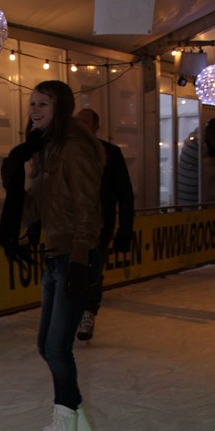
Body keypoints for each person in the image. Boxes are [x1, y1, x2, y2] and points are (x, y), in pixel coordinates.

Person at [0, 81, 105, 431]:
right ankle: (78, 419)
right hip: (54, 256)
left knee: (58, 348)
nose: (34, 110)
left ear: (61, 107)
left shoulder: (74, 148)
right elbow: (36, 214)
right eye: (31, 103)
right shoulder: (43, 150)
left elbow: (88, 209)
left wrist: (79, 262)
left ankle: (65, 428)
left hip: (76, 256)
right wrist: (12, 182)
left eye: (43, 103)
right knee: (46, 345)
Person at [75, 108, 135, 342]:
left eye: (85, 122)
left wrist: (125, 229)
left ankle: (88, 312)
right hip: (70, 224)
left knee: (92, 269)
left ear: (95, 127)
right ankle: (73, 312)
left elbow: (125, 194)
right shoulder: (66, 153)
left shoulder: (110, 154)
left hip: (99, 225)